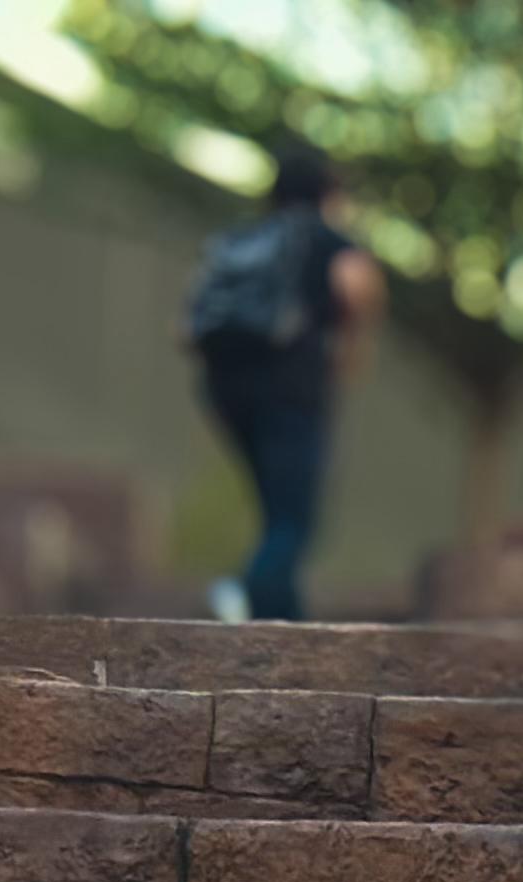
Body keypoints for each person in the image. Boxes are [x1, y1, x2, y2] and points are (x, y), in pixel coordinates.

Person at [184, 140, 384, 624]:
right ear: (328, 193)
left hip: (225, 388)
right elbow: (359, 286)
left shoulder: (243, 240)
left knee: (276, 512)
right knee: (295, 519)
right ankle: (242, 589)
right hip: (291, 391)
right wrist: (353, 346)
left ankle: (282, 617)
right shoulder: (323, 238)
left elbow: (186, 323)